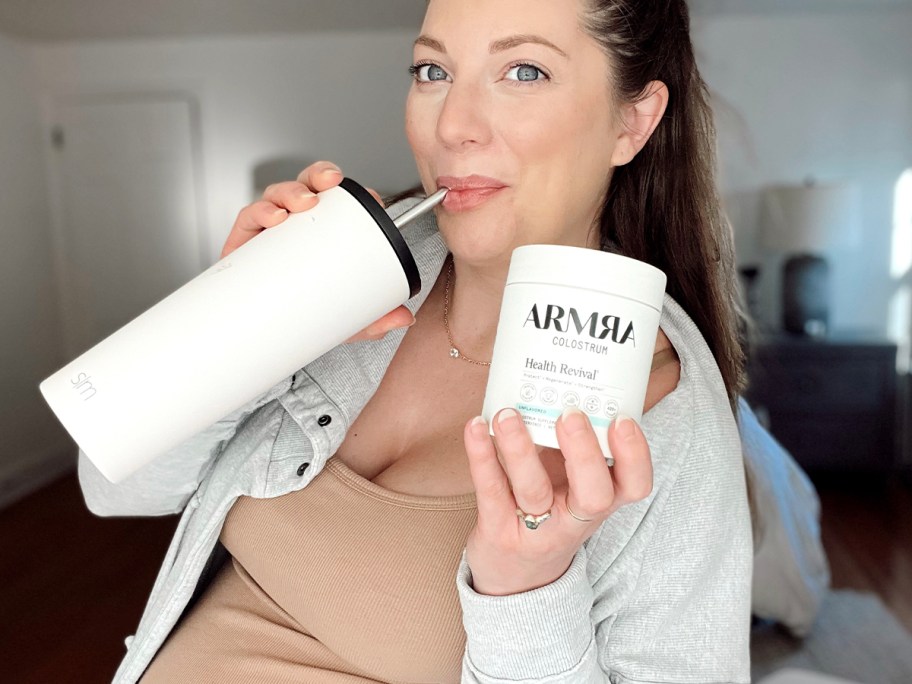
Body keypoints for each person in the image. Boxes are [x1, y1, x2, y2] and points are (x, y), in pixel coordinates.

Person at [78, 0, 753, 682]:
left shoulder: (675, 424)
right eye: (432, 70)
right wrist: (229, 325)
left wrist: (523, 588)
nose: (451, 126)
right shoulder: (348, 276)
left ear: (631, 121)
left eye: (523, 71)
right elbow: (112, 489)